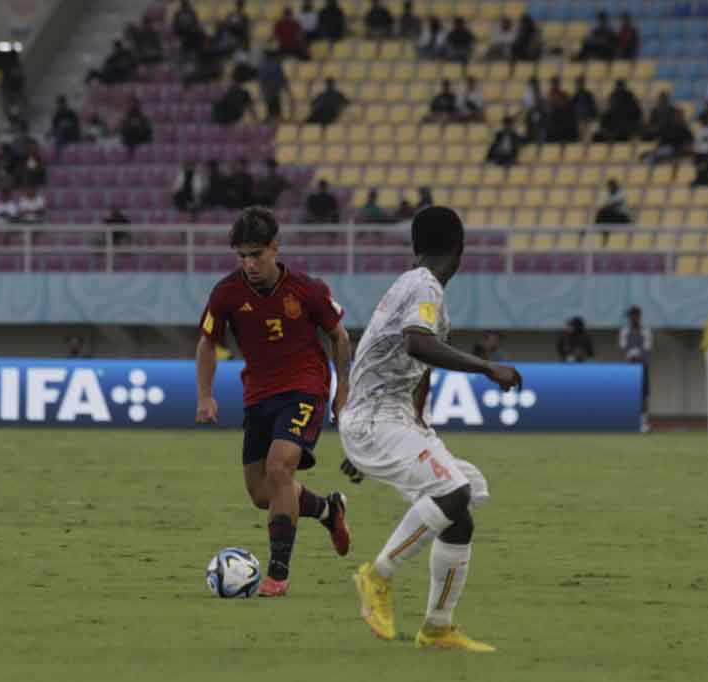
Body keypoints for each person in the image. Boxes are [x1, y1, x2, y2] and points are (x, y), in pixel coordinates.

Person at [339, 206, 521, 651]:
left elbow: (416, 366)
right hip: (376, 418)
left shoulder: (413, 284)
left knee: (462, 505)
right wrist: (486, 367)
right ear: (459, 250)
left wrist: (375, 449)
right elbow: (417, 343)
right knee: (452, 494)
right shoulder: (425, 287)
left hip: (388, 420)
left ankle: (438, 627)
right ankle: (377, 576)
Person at [196, 207, 353, 597]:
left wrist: (343, 391)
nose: (249, 264)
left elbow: (340, 337)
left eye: (256, 254)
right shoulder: (227, 293)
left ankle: (277, 574)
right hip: (258, 395)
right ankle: (327, 509)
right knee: (262, 494)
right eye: (242, 256)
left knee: (279, 467)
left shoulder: (307, 290)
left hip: (304, 388)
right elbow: (206, 342)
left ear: (275, 249)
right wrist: (205, 395)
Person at [619, 305, 652, 432]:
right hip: (629, 366)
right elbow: (622, 346)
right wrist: (630, 355)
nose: (631, 318)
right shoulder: (625, 331)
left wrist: (639, 355)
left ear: (638, 316)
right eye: (630, 316)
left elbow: (648, 348)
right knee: (629, 394)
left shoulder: (645, 331)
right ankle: (629, 421)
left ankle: (644, 423)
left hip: (642, 365)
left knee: (643, 395)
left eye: (633, 315)